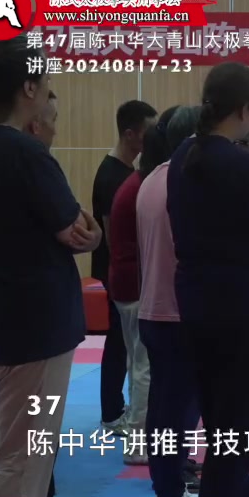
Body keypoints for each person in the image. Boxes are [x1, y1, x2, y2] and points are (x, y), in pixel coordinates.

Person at [0, 36, 101, 497]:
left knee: (0, 449)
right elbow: (77, 230)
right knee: (22, 461)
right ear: (29, 88)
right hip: (31, 331)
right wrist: (93, 234)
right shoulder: (24, 151)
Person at [166, 62, 249, 497]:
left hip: (195, 298)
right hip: (241, 303)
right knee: (238, 426)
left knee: (218, 413)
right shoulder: (246, 165)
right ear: (244, 110)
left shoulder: (182, 157)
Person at [137, 105, 202, 497]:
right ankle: (171, 486)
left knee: (163, 407)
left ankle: (166, 483)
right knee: (177, 410)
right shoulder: (184, 181)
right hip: (178, 311)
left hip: (154, 308)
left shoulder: (151, 179)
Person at [108, 110, 177, 464]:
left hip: (129, 284)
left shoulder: (139, 184)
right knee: (144, 366)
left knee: (141, 364)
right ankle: (138, 442)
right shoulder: (143, 187)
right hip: (135, 287)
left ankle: (140, 435)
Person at [92, 99, 158, 437]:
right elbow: (111, 236)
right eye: (149, 132)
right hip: (118, 273)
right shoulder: (112, 176)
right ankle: (112, 412)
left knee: (128, 346)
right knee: (120, 345)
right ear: (130, 134)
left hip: (125, 272)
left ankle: (123, 409)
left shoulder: (129, 172)